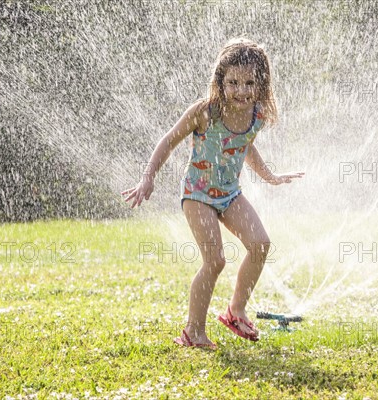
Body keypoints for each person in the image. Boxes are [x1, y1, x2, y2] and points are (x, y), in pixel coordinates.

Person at [122, 38, 304, 349]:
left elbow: (245, 146)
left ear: (262, 84)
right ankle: (193, 331)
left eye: (249, 82)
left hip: (230, 194)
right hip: (198, 194)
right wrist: (147, 178)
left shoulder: (256, 115)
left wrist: (269, 176)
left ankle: (236, 310)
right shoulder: (206, 112)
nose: (241, 90)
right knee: (215, 261)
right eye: (232, 82)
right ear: (220, 81)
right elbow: (168, 141)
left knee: (260, 244)